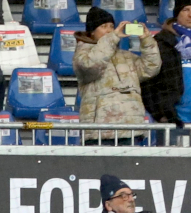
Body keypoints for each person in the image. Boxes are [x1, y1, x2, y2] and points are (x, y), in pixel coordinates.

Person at [75, 12, 165, 145]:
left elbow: (151, 68)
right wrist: (112, 38)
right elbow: (91, 65)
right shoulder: (83, 54)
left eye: (111, 26)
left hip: (131, 129)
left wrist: (146, 40)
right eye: (103, 26)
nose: (109, 30)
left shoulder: (127, 56)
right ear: (92, 32)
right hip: (99, 131)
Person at [144, 0, 191, 125]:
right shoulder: (161, 43)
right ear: (177, 14)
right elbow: (148, 81)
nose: (190, 15)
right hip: (173, 121)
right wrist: (160, 115)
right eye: (186, 10)